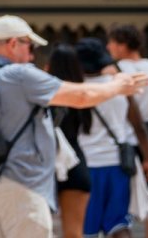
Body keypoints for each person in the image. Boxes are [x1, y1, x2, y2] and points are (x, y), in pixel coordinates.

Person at [0, 15, 148, 237]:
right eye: (31, 45)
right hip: (21, 185)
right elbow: (81, 96)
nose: (32, 54)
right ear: (13, 43)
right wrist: (117, 85)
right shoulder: (19, 74)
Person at [108, 24, 148, 237]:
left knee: (121, 202)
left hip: (128, 140)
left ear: (122, 44)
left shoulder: (115, 71)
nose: (109, 47)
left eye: (111, 42)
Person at [48, 44, 93, 238]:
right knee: (74, 234)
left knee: (38, 231)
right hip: (75, 162)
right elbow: (87, 127)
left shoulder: (45, 93)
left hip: (47, 165)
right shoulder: (82, 93)